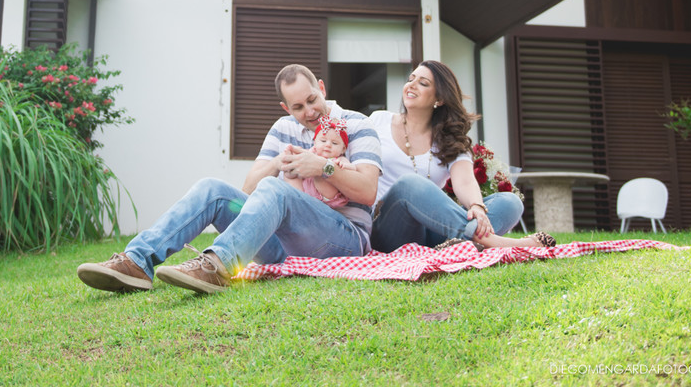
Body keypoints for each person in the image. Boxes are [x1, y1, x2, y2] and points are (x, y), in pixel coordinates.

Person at [77, 64, 381, 295]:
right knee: (213, 188)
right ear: (286, 108)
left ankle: (216, 266)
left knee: (275, 189)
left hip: (343, 240)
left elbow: (368, 192)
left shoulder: (356, 124)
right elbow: (247, 192)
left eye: (312, 100)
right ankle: (137, 262)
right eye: (298, 107)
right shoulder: (282, 128)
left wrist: (322, 166)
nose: (309, 111)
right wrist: (277, 161)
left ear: (322, 89)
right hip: (280, 246)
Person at [370, 60, 554, 252]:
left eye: (423, 83)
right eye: (411, 79)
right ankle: (492, 242)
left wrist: (477, 206)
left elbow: (465, 182)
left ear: (439, 99)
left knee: (510, 202)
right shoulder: (378, 120)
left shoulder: (451, 139)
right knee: (408, 184)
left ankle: (456, 245)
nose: (411, 85)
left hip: (432, 231)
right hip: (388, 227)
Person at [280, 116, 357, 208]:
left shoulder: (339, 159)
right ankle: (294, 190)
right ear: (315, 143)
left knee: (321, 171)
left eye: (334, 143)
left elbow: (353, 168)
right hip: (305, 193)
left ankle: (319, 171)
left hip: (327, 196)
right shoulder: (311, 153)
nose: (328, 145)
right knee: (293, 175)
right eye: (323, 141)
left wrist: (344, 166)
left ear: (343, 149)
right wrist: (295, 157)